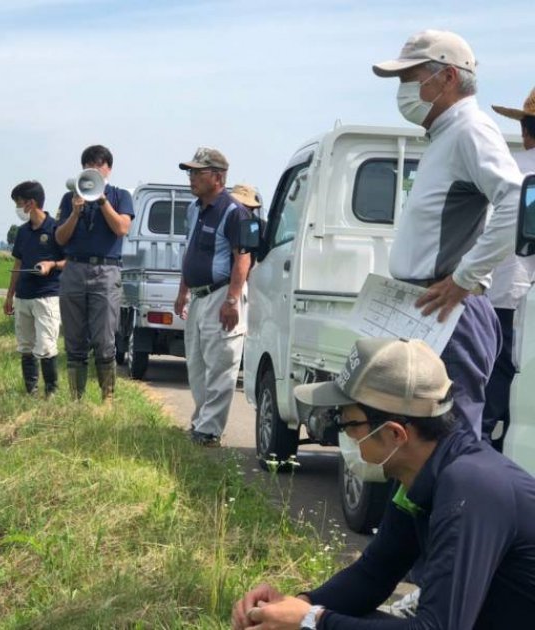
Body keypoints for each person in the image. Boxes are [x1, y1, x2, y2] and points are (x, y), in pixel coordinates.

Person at [231, 337, 535, 629]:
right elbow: (375, 573)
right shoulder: (422, 471)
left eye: (347, 423)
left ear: (395, 434)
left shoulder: (471, 488)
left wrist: (310, 621)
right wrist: (295, 607)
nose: (344, 436)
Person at [372, 29, 523, 437]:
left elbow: (516, 202)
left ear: (449, 77)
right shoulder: (446, 134)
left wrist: (463, 278)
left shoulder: (470, 129)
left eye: (411, 77)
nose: (404, 90)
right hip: (430, 306)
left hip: (449, 311)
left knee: (448, 437)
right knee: (419, 440)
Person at [173, 148, 251, 446]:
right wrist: (183, 290)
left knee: (220, 366)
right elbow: (190, 250)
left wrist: (232, 300)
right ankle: (201, 422)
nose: (191, 177)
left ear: (217, 177)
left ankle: (208, 432)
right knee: (196, 364)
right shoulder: (194, 209)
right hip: (198, 296)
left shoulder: (234, 212)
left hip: (221, 296)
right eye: (190, 172)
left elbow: (242, 259)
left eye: (197, 172)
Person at [54, 145, 134, 401]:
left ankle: (107, 397)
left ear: (108, 168)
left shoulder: (120, 196)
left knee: (104, 338)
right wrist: (76, 213)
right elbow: (60, 238)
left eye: (98, 165)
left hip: (106, 270)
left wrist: (102, 202)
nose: (92, 169)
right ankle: (76, 397)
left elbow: (122, 228)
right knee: (74, 338)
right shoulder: (70, 199)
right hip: (74, 268)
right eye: (88, 165)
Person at [482, 87, 535, 450]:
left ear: (525, 130)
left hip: (503, 302)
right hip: (523, 303)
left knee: (487, 411)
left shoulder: (509, 170)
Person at [5, 181, 65, 397]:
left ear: (31, 203)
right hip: (23, 296)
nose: (18, 209)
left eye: (19, 204)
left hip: (47, 296)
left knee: (47, 345)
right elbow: (17, 264)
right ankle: (31, 391)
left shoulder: (56, 229)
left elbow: (69, 260)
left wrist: (52, 265)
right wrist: (9, 296)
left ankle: (52, 392)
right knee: (26, 346)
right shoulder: (22, 232)